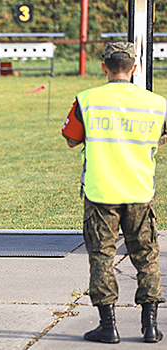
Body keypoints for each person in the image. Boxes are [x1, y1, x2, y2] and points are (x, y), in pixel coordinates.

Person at [62, 42, 165, 344]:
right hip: (139, 191)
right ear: (134, 68)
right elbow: (162, 136)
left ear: (104, 67)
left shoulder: (88, 100)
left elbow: (70, 139)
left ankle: (108, 326)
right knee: (146, 257)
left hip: (100, 192)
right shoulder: (157, 103)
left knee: (101, 258)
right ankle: (151, 327)